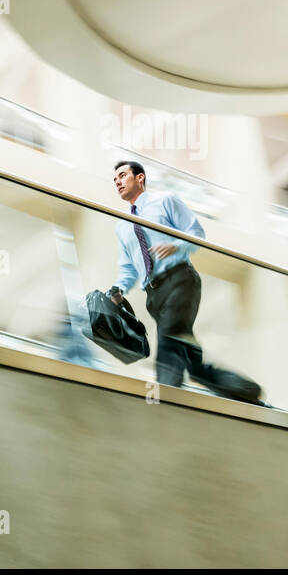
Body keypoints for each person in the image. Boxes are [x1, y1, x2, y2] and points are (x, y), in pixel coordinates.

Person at [108, 160, 264, 403]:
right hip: (154, 296)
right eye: (114, 179)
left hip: (179, 280)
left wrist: (175, 246)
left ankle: (165, 399)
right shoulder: (122, 227)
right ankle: (244, 390)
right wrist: (119, 288)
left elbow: (196, 232)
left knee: (170, 341)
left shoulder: (166, 201)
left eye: (122, 175)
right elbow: (128, 267)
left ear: (140, 178)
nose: (117, 181)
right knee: (188, 357)